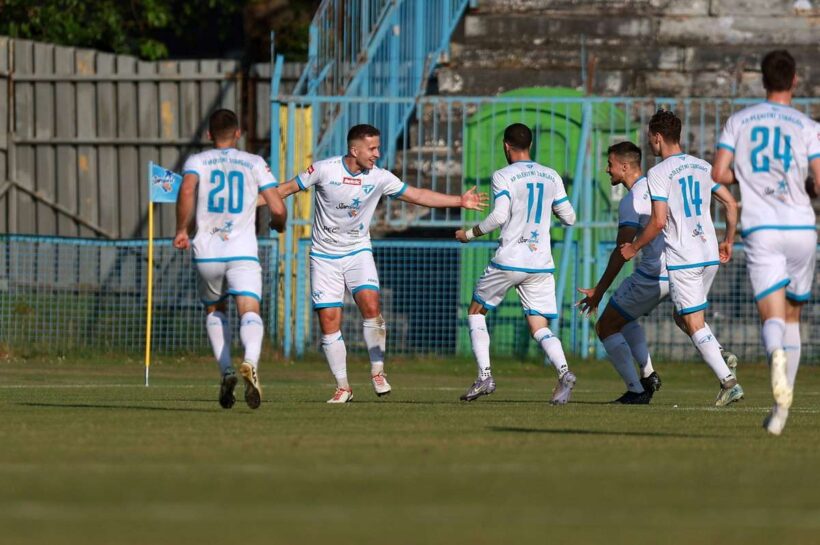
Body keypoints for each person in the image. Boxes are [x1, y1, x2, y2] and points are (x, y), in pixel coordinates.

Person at [276, 124, 487, 403]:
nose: (377, 153)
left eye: (378, 147)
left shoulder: (380, 177)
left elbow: (418, 195)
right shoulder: (324, 170)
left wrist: (459, 200)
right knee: (328, 322)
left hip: (357, 252)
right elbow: (285, 189)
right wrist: (249, 203)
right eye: (372, 148)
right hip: (324, 256)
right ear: (355, 150)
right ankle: (343, 387)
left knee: (371, 305)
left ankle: (378, 371)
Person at [577, 142, 739, 404]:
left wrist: (599, 290)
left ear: (625, 166)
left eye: (610, 164)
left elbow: (622, 251)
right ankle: (656, 372)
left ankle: (637, 390)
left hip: (656, 274)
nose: (607, 170)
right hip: (688, 263)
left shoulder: (632, 199)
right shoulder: (663, 182)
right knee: (671, 318)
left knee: (606, 325)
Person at [712, 49, 820, 435]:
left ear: (762, 80)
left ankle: (773, 352)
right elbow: (819, 182)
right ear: (794, 80)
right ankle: (780, 412)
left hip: (762, 229)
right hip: (802, 229)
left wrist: (748, 179)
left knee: (772, 318)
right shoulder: (808, 125)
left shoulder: (739, 122)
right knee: (794, 317)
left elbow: (719, 172)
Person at [620, 110, 744, 407]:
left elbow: (658, 222)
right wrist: (728, 240)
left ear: (658, 137)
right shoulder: (702, 166)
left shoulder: (659, 173)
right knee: (683, 316)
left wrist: (634, 248)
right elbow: (729, 203)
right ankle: (721, 353)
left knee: (693, 321)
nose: (648, 142)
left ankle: (729, 383)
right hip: (709, 254)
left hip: (685, 257)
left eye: (649, 137)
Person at [455, 123, 577, 404]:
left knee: (476, 312)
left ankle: (485, 375)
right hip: (541, 264)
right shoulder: (551, 175)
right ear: (530, 145)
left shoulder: (503, 175)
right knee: (539, 326)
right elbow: (569, 218)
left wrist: (469, 234)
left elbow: (498, 217)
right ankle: (563, 371)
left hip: (510, 259)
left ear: (506, 146)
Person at [174, 108, 287, 410]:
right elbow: (276, 206)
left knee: (215, 308)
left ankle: (225, 370)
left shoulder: (197, 161)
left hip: (208, 250)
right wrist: (280, 223)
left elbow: (186, 189)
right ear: (238, 134)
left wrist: (182, 229)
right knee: (249, 308)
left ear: (209, 135)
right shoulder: (253, 162)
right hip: (242, 251)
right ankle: (249, 361)